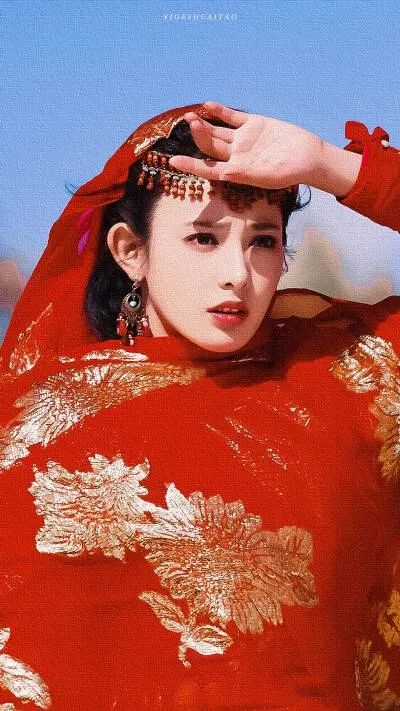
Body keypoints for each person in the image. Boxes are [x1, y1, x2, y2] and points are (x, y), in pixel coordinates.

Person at [0, 101, 399, 711]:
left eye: (263, 241)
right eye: (203, 238)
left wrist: (331, 166)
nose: (237, 273)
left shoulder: (355, 373)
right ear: (130, 251)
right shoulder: (32, 427)